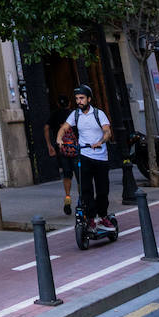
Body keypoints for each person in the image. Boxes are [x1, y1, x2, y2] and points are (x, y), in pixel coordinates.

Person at [57, 85, 112, 230]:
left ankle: (103, 216)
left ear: (89, 99)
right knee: (86, 190)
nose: (79, 101)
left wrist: (100, 142)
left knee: (102, 190)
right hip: (84, 155)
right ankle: (92, 218)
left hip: (100, 157)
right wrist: (59, 138)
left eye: (81, 98)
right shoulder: (75, 115)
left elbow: (107, 132)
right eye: (76, 99)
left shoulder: (99, 114)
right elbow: (64, 128)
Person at [44, 94, 74, 215]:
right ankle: (83, 200)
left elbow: (46, 128)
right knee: (80, 174)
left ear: (57, 104)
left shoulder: (55, 115)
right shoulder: (73, 114)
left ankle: (68, 197)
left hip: (62, 149)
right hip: (76, 149)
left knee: (67, 175)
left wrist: (49, 145)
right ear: (70, 103)